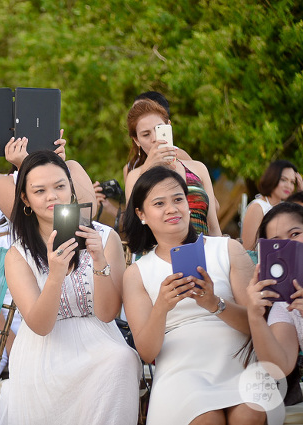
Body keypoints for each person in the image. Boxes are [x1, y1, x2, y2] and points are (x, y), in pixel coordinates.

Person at [0, 151, 139, 423]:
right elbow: (40, 325)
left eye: (60, 186)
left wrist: (99, 260)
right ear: (25, 199)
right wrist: (55, 275)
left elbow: (109, 313)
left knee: (122, 359)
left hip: (99, 339)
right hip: (45, 349)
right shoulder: (18, 255)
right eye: (39, 190)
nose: (52, 196)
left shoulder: (104, 237)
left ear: (71, 190)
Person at [122, 166, 265, 425]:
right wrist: (161, 308)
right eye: (159, 203)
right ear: (141, 214)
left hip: (237, 362)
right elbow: (146, 351)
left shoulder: (228, 249)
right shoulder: (137, 273)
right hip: (182, 371)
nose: (172, 208)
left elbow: (257, 325)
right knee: (206, 420)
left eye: (178, 199)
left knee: (249, 415)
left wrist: (215, 304)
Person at [124, 98, 221, 236]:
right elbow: (133, 226)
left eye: (159, 130)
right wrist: (149, 167)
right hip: (157, 254)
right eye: (146, 134)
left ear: (169, 126)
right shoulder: (135, 176)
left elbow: (214, 227)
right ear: (136, 140)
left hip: (203, 252)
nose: (154, 139)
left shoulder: (198, 168)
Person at [246, 202, 303, 377]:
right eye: (277, 243)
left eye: (295, 234)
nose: (288, 246)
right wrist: (255, 316)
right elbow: (278, 368)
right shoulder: (286, 301)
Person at [241, 160, 301, 250]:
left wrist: (300, 194)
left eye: (292, 182)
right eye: (283, 180)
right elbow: (247, 250)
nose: (289, 186)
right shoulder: (257, 208)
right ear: (273, 177)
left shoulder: (285, 207)